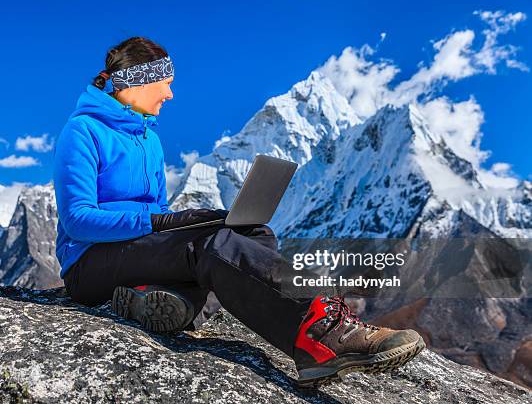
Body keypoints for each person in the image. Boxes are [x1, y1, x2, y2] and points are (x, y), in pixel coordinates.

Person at [53, 36, 425, 387]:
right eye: (165, 82)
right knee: (211, 249)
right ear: (137, 82)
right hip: (89, 263)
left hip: (132, 247)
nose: (170, 92)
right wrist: (161, 222)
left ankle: (158, 301)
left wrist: (177, 221)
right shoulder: (82, 131)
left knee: (254, 234)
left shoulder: (149, 139)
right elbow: (77, 220)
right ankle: (322, 334)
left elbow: (156, 214)